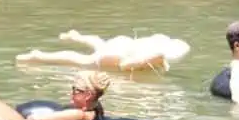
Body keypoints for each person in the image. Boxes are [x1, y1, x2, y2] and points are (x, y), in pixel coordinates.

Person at [16, 31, 190, 73]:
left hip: (122, 43)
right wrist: (151, 60)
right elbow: (125, 65)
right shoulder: (152, 58)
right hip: (115, 57)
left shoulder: (157, 43)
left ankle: (78, 36)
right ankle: (38, 56)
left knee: (99, 43)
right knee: (81, 61)